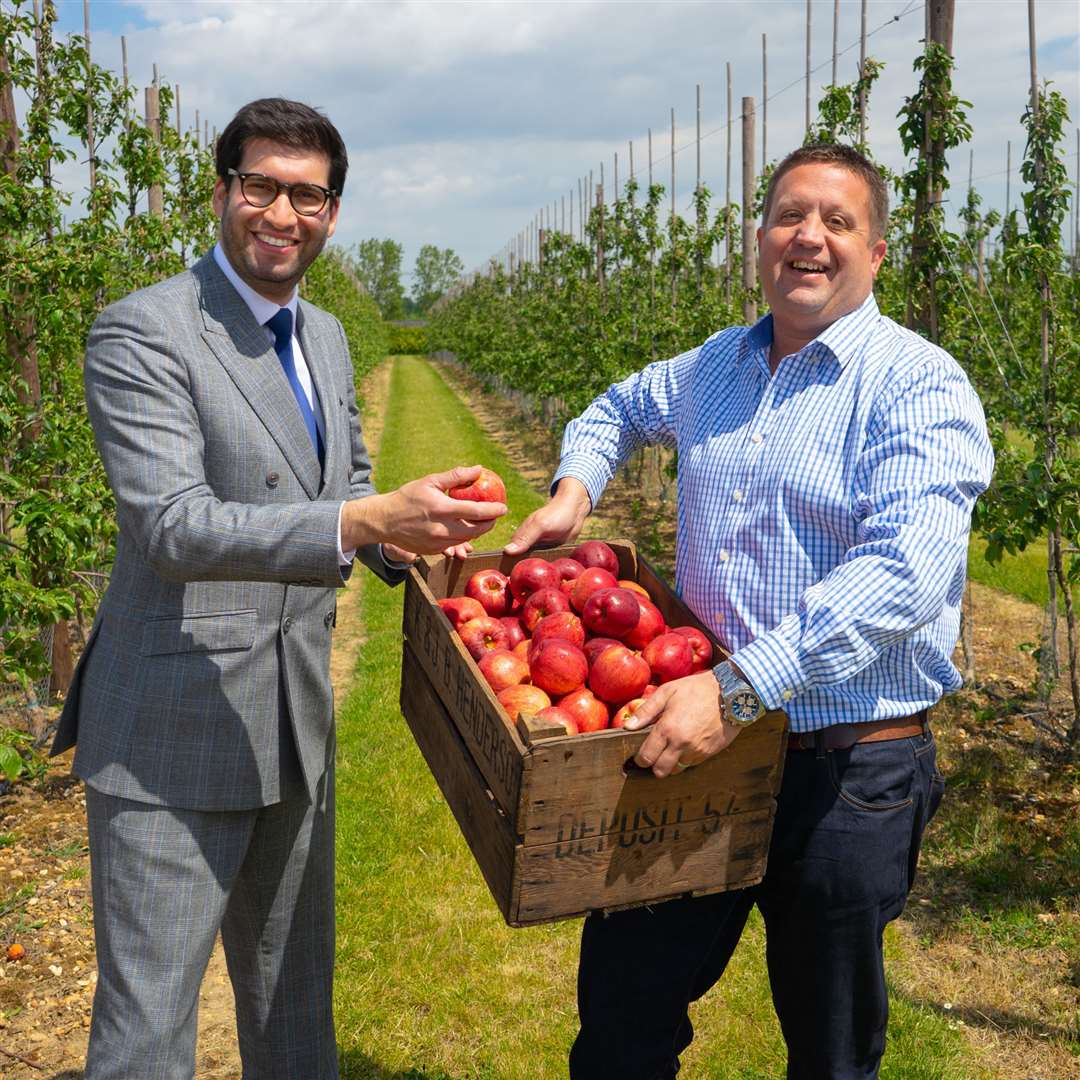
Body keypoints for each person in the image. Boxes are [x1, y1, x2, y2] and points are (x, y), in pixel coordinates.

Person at [505, 143, 994, 1080]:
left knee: (829, 1045)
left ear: (876, 252)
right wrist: (574, 492)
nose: (808, 237)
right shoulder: (713, 367)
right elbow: (614, 409)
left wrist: (734, 690)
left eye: (837, 221)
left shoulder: (918, 382)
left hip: (846, 767)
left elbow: (907, 570)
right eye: (787, 216)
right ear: (758, 239)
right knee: (623, 1015)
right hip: (691, 748)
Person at [51, 97, 505, 1079]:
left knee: (295, 1010)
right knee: (149, 1031)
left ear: (333, 212)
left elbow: (342, 482)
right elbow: (172, 526)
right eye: (260, 186)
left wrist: (411, 548)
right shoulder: (144, 335)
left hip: (294, 721)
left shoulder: (329, 335)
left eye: (308, 194)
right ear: (222, 193)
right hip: (172, 732)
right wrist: (362, 524)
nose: (281, 213)